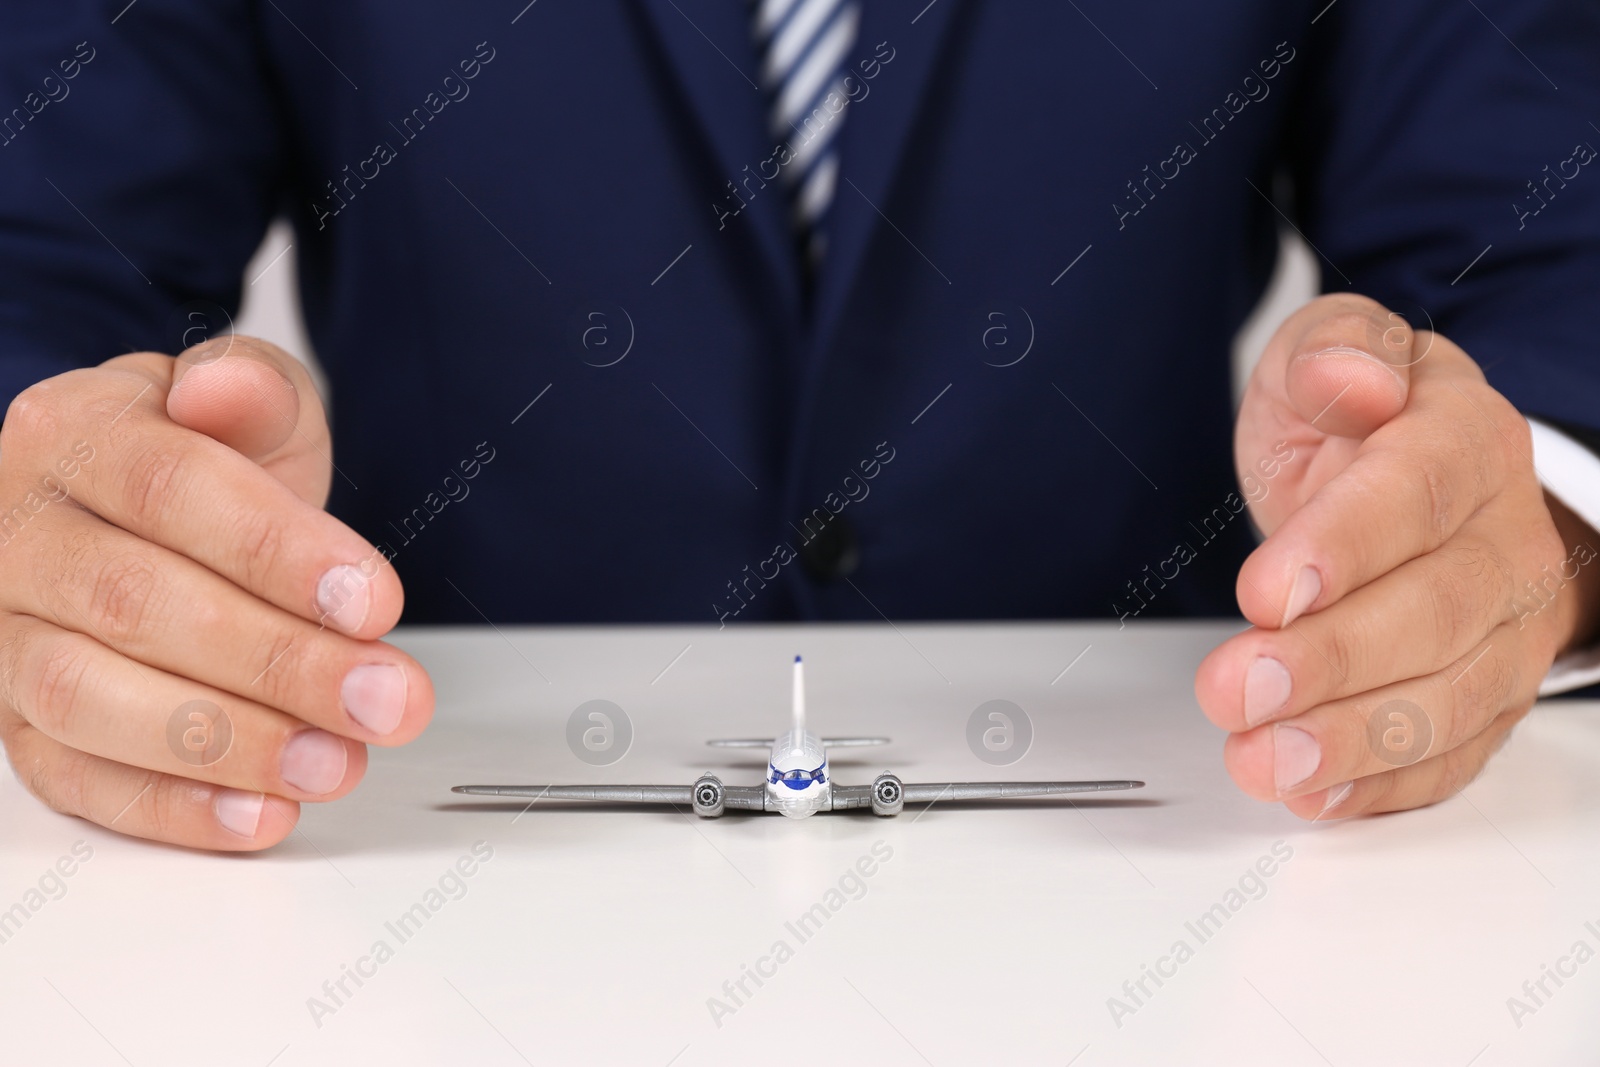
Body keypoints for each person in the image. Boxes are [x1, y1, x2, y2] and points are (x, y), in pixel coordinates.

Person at [0, 0, 1597, 850]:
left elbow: (1546, 257)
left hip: (1176, 836)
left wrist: (1522, 531)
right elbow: (37, 238)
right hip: (410, 832)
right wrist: (66, 526)